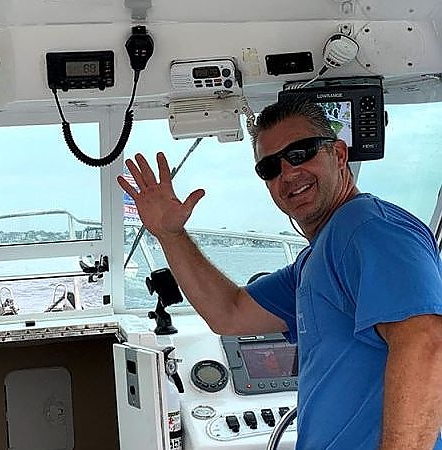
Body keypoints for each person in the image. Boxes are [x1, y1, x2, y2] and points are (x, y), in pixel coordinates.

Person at [117, 97, 442, 450]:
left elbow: (426, 343)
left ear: (339, 155)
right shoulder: (315, 260)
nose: (287, 172)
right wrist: (170, 235)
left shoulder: (369, 229)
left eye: (301, 153)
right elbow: (230, 313)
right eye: (269, 167)